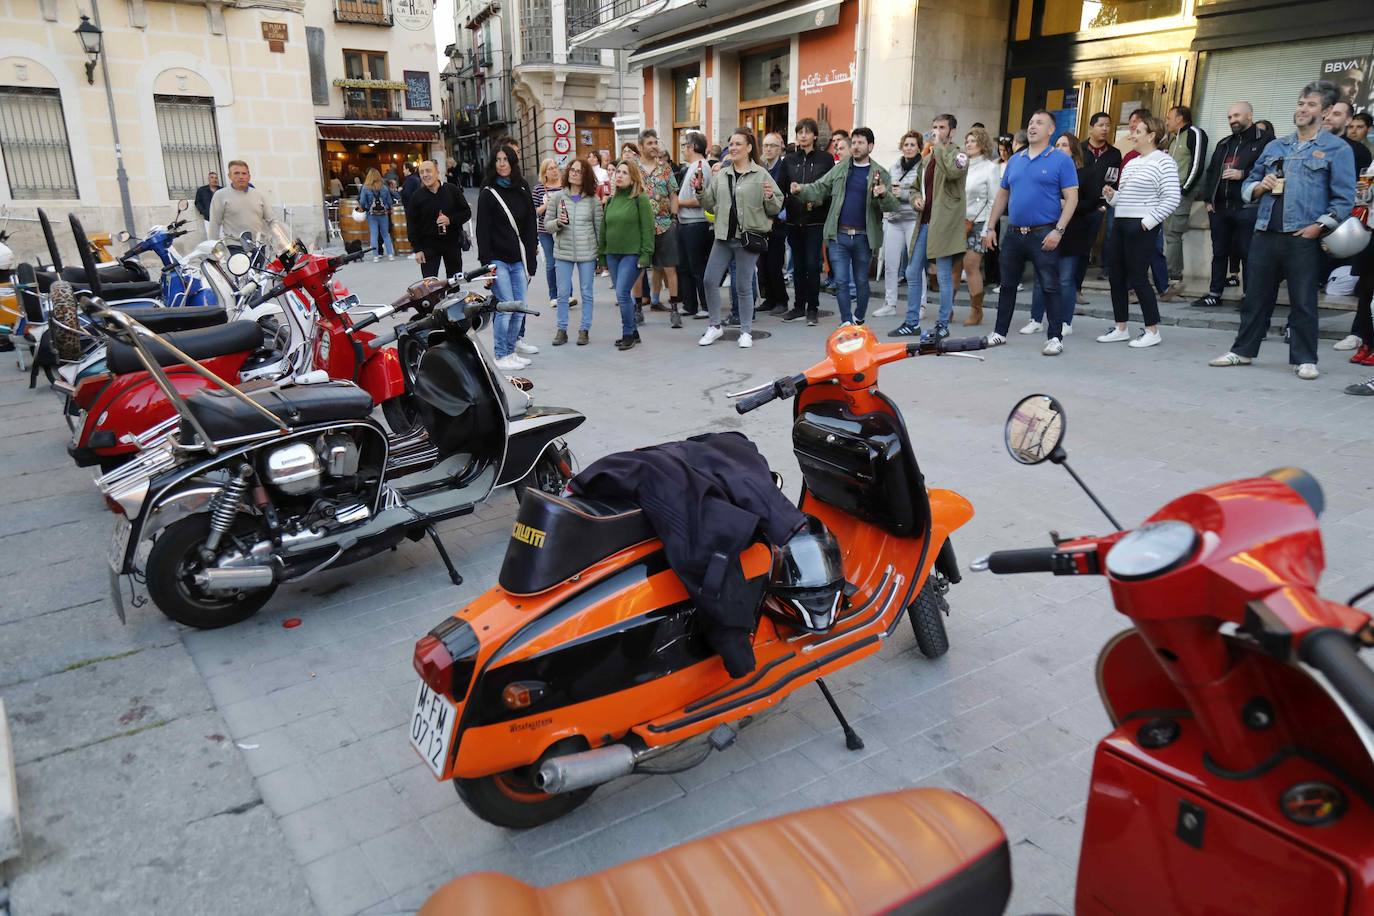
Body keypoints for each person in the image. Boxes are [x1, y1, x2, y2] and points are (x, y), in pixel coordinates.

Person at [1209, 80, 1356, 381]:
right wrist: (1257, 188)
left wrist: (1318, 228)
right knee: (1255, 298)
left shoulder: (1336, 149)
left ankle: (1305, 359)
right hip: (1264, 232)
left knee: (1303, 300)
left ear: (1326, 111)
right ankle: (1243, 351)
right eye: (1301, 103)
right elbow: (1248, 184)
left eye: (1311, 105)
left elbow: (1344, 199)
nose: (1302, 109)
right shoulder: (1276, 146)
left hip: (1302, 236)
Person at [982, 110, 1080, 355]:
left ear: (1050, 130)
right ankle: (999, 332)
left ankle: (1055, 337)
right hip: (1015, 233)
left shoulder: (1060, 160)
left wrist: (1059, 230)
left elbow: (1071, 198)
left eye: (1040, 123)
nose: (1033, 126)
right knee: (1007, 284)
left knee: (1049, 285)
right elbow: (1002, 195)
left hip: (1044, 232)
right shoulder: (1016, 159)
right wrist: (990, 226)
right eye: (1030, 122)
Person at [792, 127, 898, 326]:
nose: (856, 147)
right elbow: (820, 187)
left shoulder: (880, 173)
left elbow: (892, 206)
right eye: (854, 143)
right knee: (840, 281)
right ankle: (846, 321)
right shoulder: (841, 168)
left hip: (863, 237)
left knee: (861, 282)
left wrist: (884, 194)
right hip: (838, 235)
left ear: (871, 147)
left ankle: (858, 317)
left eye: (861, 143)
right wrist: (801, 190)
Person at [1095, 117, 1179, 349]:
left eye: (1137, 131)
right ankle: (1121, 327)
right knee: (1117, 277)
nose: (1132, 135)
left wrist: (1148, 222)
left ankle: (1153, 330)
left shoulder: (1164, 162)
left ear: (1151, 135)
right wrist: (1112, 196)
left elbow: (1172, 197)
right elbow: (1124, 199)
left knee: (1139, 278)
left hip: (1141, 226)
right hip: (1121, 223)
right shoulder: (1131, 163)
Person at [695, 128, 783, 349]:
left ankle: (746, 331)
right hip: (723, 236)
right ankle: (715, 326)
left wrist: (770, 196)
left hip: (747, 238)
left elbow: (776, 206)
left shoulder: (761, 174)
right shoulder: (722, 175)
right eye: (731, 144)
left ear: (749, 148)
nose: (732, 148)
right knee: (709, 280)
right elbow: (708, 203)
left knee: (743, 286)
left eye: (737, 144)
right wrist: (699, 190)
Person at [892, 115, 968, 339]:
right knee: (912, 271)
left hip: (944, 224)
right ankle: (911, 321)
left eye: (941, 128)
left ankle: (942, 324)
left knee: (943, 275)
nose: (936, 131)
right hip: (925, 221)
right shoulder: (927, 158)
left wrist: (940, 148)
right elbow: (916, 186)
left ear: (952, 132)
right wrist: (915, 198)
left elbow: (953, 172)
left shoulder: (960, 155)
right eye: (934, 127)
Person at [1021, 133, 1098, 337]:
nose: (1060, 147)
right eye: (1057, 144)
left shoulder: (1085, 172)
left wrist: (1069, 204)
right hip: (1045, 228)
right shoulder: (1050, 169)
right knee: (1040, 277)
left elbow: (1091, 203)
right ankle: (1036, 318)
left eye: (1064, 144)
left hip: (1073, 231)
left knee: (1065, 279)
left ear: (1073, 149)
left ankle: (1065, 321)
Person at [1194, 102, 1267, 309]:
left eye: (1237, 115)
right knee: (1219, 253)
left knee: (1247, 253)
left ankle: (1249, 297)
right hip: (1220, 208)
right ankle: (1214, 293)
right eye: (1229, 117)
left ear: (1250, 116)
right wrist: (1208, 200)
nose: (1233, 120)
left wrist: (1242, 174)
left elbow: (1271, 171)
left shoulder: (1266, 142)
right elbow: (1211, 173)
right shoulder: (1224, 143)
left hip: (1248, 207)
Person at [477, 145, 539, 371]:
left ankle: (511, 351)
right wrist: (486, 266)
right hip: (498, 260)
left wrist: (530, 261)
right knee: (505, 308)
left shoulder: (522, 187)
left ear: (513, 162)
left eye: (506, 159)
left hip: (519, 259)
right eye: (498, 159)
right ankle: (501, 354)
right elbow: (482, 232)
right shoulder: (488, 192)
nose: (502, 164)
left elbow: (531, 225)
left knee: (519, 306)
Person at [780, 118, 834, 325]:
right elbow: (781, 187)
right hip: (794, 219)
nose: (803, 135)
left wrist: (820, 202)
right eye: (799, 132)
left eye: (806, 132)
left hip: (816, 220)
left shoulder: (825, 159)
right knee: (798, 266)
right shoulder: (789, 160)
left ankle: (813, 308)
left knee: (812, 264)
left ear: (814, 135)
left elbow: (828, 187)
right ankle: (798, 306)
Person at [546, 157, 602, 347]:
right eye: (572, 170)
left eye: (579, 171)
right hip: (563, 252)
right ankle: (561, 330)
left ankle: (584, 329)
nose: (575, 173)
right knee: (562, 293)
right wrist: (558, 223)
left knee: (586, 293)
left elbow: (599, 229)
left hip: (587, 252)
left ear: (585, 175)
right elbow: (547, 226)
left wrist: (600, 256)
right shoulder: (557, 197)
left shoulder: (593, 200)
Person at [600, 160, 655, 351]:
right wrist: (602, 255)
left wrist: (646, 255)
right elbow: (604, 228)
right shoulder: (612, 200)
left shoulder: (640, 199)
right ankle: (634, 332)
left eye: (624, 172)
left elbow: (648, 229)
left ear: (633, 177)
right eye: (618, 172)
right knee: (621, 293)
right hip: (613, 254)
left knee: (623, 293)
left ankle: (628, 334)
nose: (619, 175)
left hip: (632, 254)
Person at [874, 131, 923, 320]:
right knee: (890, 263)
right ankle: (890, 303)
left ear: (919, 147)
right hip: (894, 219)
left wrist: (901, 193)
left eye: (912, 144)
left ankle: (920, 305)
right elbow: (887, 187)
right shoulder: (894, 167)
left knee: (916, 265)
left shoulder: (922, 166)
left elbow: (921, 193)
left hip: (913, 219)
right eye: (906, 144)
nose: (909, 148)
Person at [1160, 106, 1208, 300]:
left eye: (1169, 117)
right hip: (1167, 192)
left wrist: (1184, 190)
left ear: (1180, 118)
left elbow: (1197, 163)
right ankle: (1168, 275)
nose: (1167, 121)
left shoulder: (1194, 133)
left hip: (1181, 192)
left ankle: (1173, 277)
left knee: (1173, 232)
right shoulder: (1172, 138)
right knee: (1167, 232)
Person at [637, 129, 683, 327]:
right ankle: (637, 309)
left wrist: (673, 219)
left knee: (670, 267)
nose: (655, 146)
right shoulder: (632, 168)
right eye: (650, 143)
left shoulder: (665, 168)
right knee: (639, 268)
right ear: (641, 147)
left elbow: (674, 194)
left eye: (656, 142)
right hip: (639, 227)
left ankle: (674, 310)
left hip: (665, 225)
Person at [406, 159, 472, 280]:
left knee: (454, 282)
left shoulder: (452, 190)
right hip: (428, 247)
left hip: (452, 244)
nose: (425, 175)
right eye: (421, 172)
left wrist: (450, 220)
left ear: (437, 172)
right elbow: (412, 224)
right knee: (429, 285)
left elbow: (466, 212)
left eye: (428, 171)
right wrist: (417, 249)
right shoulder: (417, 196)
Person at [960, 127, 999, 326]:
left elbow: (994, 200)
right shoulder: (961, 165)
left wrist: (988, 229)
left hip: (979, 222)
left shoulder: (990, 168)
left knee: (971, 266)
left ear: (982, 144)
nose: (968, 144)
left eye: (973, 141)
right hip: (957, 222)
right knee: (954, 267)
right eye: (967, 141)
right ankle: (946, 310)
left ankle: (976, 311)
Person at [1080, 112, 1122, 295]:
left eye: (1108, 125)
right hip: (1075, 206)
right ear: (1091, 128)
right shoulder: (1079, 149)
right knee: (1075, 248)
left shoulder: (1114, 154)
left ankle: (1077, 289)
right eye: (1101, 125)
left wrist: (1105, 205)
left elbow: (1114, 181)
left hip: (1098, 207)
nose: (1105, 129)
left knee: (1086, 247)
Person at [676, 131, 712, 319]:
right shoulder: (692, 166)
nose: (682, 149)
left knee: (697, 267)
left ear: (691, 147)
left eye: (684, 146)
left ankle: (705, 305)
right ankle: (690, 304)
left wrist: (678, 203)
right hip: (685, 223)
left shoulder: (701, 167)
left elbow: (701, 199)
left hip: (695, 223)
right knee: (685, 266)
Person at [207, 160, 283, 241]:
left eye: (244, 173)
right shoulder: (220, 195)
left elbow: (272, 221)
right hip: (235, 247)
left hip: (258, 247)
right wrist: (213, 247)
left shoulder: (259, 195)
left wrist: (281, 239)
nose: (241, 176)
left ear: (249, 176)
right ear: (229, 176)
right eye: (236, 173)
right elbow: (214, 224)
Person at [758, 132, 790, 317]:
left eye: (772, 146)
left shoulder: (783, 168)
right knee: (763, 264)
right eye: (766, 146)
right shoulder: (763, 169)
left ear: (780, 148)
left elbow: (787, 195)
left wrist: (781, 215)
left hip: (778, 223)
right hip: (762, 223)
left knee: (774, 264)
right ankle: (769, 299)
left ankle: (781, 300)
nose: (768, 149)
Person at [532, 158, 563, 303]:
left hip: (563, 228)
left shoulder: (565, 186)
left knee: (564, 262)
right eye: (550, 168)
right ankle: (554, 296)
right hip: (545, 231)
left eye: (556, 167)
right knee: (551, 263)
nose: (554, 170)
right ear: (544, 173)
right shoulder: (539, 189)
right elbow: (535, 211)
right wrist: (546, 205)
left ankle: (567, 294)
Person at [358, 168, 397, 261]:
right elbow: (389, 201)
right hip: (383, 214)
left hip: (371, 215)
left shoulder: (365, 187)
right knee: (385, 234)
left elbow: (362, 201)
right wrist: (387, 207)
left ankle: (376, 256)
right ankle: (390, 255)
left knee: (374, 234)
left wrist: (364, 207)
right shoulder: (384, 187)